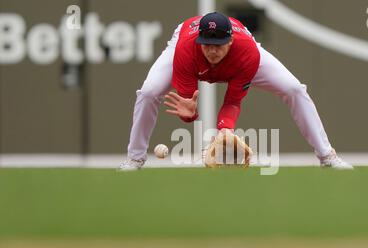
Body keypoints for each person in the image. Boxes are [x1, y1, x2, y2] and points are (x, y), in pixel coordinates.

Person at [119, 12, 353, 170]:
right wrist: (189, 114)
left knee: (294, 89)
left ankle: (327, 156)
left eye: (218, 45)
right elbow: (188, 106)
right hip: (183, 40)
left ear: (229, 41)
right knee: (148, 92)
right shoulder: (186, 50)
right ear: (200, 41)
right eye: (207, 44)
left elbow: (233, 101)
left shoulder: (247, 52)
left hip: (242, 56)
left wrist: (224, 129)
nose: (211, 51)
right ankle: (134, 158)